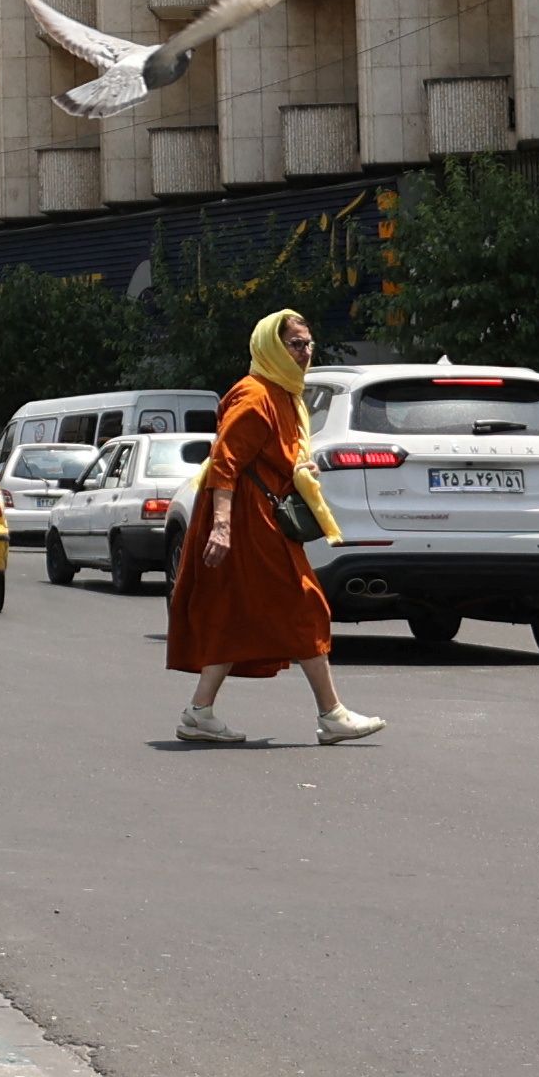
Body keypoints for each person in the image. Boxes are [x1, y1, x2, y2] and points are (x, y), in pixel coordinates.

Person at [164, 307, 382, 749]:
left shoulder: (283, 393)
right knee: (304, 604)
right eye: (296, 345)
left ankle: (199, 712)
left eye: (308, 344)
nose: (305, 353)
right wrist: (221, 527)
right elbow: (224, 464)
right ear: (270, 347)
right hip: (246, 517)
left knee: (233, 611)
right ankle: (332, 714)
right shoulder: (255, 395)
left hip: (261, 515)